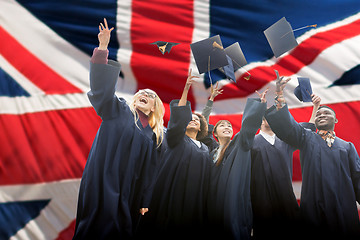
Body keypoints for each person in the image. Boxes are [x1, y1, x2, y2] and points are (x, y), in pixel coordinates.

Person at [73, 18, 165, 239]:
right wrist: (103, 48)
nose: (144, 94)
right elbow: (101, 90)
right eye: (141, 92)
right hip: (102, 179)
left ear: (155, 107)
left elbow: (149, 172)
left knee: (120, 229)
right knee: (95, 225)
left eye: (150, 95)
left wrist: (144, 200)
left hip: (128, 191)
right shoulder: (118, 109)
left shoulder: (153, 135)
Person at [263, 73, 360, 239]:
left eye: (327, 114)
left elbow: (359, 177)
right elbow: (289, 127)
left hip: (343, 207)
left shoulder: (346, 147)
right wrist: (280, 95)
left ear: (336, 120)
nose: (322, 115)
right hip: (314, 207)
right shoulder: (306, 138)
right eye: (318, 114)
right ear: (315, 122)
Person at [136, 69, 211, 239]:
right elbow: (178, 118)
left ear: (201, 128)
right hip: (171, 196)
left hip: (194, 201)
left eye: (197, 120)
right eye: (190, 118)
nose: (193, 119)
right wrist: (185, 90)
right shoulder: (176, 139)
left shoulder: (205, 149)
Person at [250, 94, 320, 239]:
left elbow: (305, 133)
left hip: (286, 200)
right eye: (265, 116)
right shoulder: (251, 143)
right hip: (261, 203)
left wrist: (316, 107)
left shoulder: (285, 140)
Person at [207, 89, 268, 240]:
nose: (227, 127)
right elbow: (203, 125)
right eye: (222, 125)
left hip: (232, 201)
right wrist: (210, 101)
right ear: (215, 133)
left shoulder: (239, 144)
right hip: (213, 202)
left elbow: (248, 128)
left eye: (229, 125)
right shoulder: (210, 152)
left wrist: (258, 106)